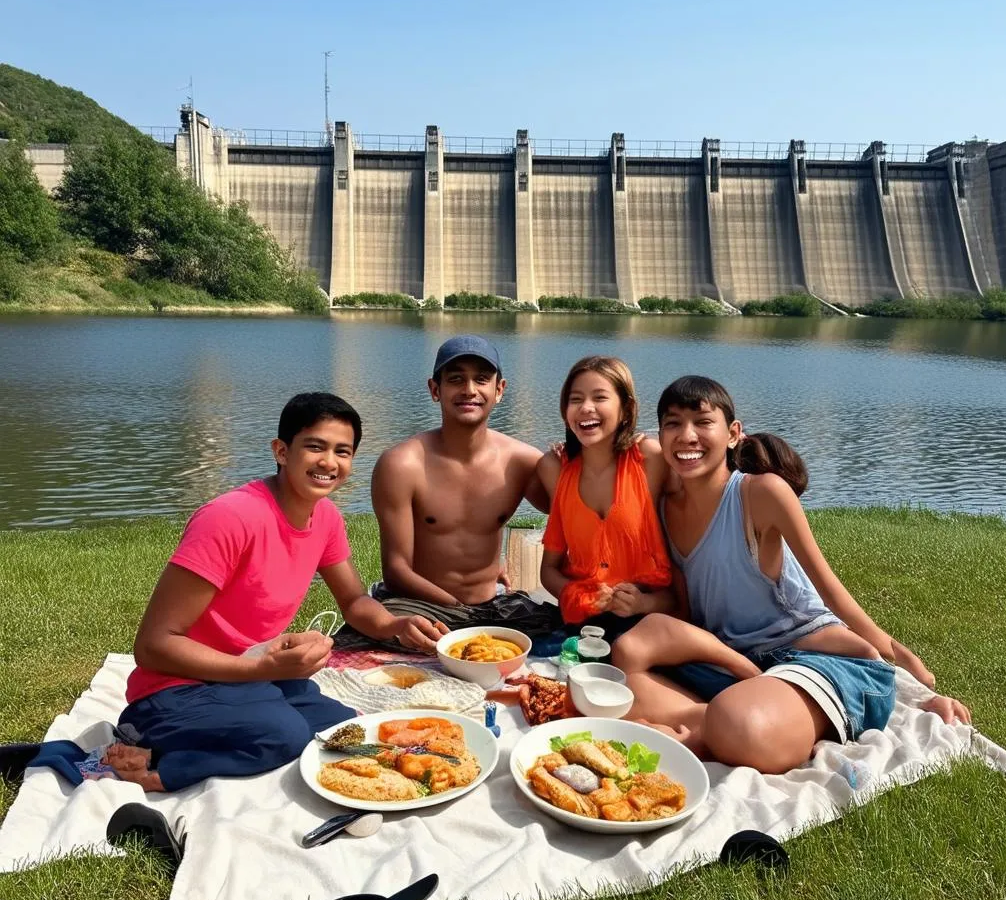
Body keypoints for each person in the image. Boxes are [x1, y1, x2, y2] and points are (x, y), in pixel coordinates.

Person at [612, 375, 972, 773]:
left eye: (702, 422)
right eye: (673, 424)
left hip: (817, 660)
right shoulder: (664, 508)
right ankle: (725, 721)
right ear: (660, 435)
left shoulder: (761, 493)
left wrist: (907, 667)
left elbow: (833, 594)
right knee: (625, 660)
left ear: (733, 434)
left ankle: (711, 729)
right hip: (740, 664)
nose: (687, 436)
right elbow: (687, 608)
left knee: (737, 722)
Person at [104, 392, 440, 792]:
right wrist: (262, 669)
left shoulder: (325, 518)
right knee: (284, 736)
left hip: (248, 678)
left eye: (342, 451)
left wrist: (396, 624)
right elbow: (154, 645)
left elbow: (353, 602)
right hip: (174, 691)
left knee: (345, 730)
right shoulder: (230, 518)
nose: (329, 462)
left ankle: (245, 717)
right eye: (314, 446)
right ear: (281, 451)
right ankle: (157, 769)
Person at [370, 334, 562, 637]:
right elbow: (396, 571)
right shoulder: (402, 464)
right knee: (380, 634)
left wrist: (572, 457)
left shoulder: (521, 461)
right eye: (456, 379)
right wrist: (459, 611)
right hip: (421, 605)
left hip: (490, 605)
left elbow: (577, 512)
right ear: (435, 389)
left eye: (482, 379)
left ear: (499, 390)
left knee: (568, 634)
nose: (469, 390)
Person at [535, 357, 686, 642]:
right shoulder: (554, 468)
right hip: (583, 624)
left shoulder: (650, 460)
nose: (586, 408)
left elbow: (678, 586)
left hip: (651, 621)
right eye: (575, 399)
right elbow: (549, 571)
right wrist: (578, 595)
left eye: (600, 397)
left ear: (626, 408)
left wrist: (642, 603)